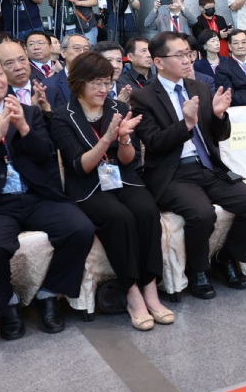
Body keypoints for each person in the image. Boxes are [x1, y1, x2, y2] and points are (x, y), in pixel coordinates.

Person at [0, 51, 95, 338]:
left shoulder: (30, 112)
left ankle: (49, 294)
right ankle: (8, 301)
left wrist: (23, 128)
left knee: (80, 228)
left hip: (35, 195)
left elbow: (46, 154)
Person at [131, 31, 246, 298]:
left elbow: (219, 136)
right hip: (173, 174)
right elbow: (154, 143)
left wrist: (218, 116)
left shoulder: (200, 88)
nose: (187, 60)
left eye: (189, 54)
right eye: (179, 55)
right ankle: (198, 270)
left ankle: (226, 258)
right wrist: (185, 125)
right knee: (203, 214)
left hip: (208, 167)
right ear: (159, 62)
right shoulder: (144, 98)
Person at [50, 51, 170, 330]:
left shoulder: (118, 107)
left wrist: (125, 138)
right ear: (79, 83)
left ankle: (150, 287)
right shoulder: (62, 116)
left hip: (122, 178)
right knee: (119, 217)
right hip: (89, 186)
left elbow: (128, 160)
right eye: (96, 83)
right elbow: (81, 167)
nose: (103, 89)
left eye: (107, 82)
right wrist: (107, 139)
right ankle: (132, 292)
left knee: (146, 210)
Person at [0, 39, 53, 115]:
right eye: (9, 63)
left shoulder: (48, 89)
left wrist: (46, 110)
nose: (18, 67)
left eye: (22, 60)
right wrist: (32, 110)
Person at [44, 34, 93, 110]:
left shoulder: (98, 80)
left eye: (86, 49)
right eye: (77, 48)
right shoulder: (50, 84)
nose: (82, 52)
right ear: (63, 52)